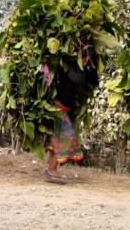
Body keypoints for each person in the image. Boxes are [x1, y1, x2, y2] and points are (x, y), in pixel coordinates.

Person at [43, 45, 99, 184]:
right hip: (57, 108)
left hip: (64, 109)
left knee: (56, 141)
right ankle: (51, 169)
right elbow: (79, 79)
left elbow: (94, 81)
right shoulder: (66, 66)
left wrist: (91, 64)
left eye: (87, 60)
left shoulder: (80, 68)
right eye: (84, 59)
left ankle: (51, 170)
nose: (85, 62)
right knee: (66, 139)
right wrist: (80, 59)